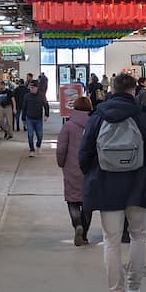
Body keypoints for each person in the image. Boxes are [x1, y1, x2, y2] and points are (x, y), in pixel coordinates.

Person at [79, 72, 146, 292]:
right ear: (134, 91)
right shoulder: (142, 117)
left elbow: (83, 153)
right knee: (139, 236)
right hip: (138, 184)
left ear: (112, 89)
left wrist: (92, 173)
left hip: (106, 184)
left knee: (111, 241)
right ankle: (134, 289)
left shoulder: (97, 116)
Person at [56, 95, 93, 246]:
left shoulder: (68, 126)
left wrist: (61, 163)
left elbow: (61, 149)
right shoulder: (94, 125)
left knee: (72, 200)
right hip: (90, 169)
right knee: (88, 202)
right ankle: (84, 233)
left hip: (72, 168)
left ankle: (77, 224)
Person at [22, 80, 48, 156]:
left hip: (38, 119)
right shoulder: (27, 96)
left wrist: (46, 115)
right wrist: (23, 119)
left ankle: (38, 145)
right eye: (30, 87)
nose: (31, 89)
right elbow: (24, 107)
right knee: (30, 135)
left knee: (40, 135)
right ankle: (32, 150)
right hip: (29, 118)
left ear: (37, 88)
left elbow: (46, 105)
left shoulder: (42, 96)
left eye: (33, 87)